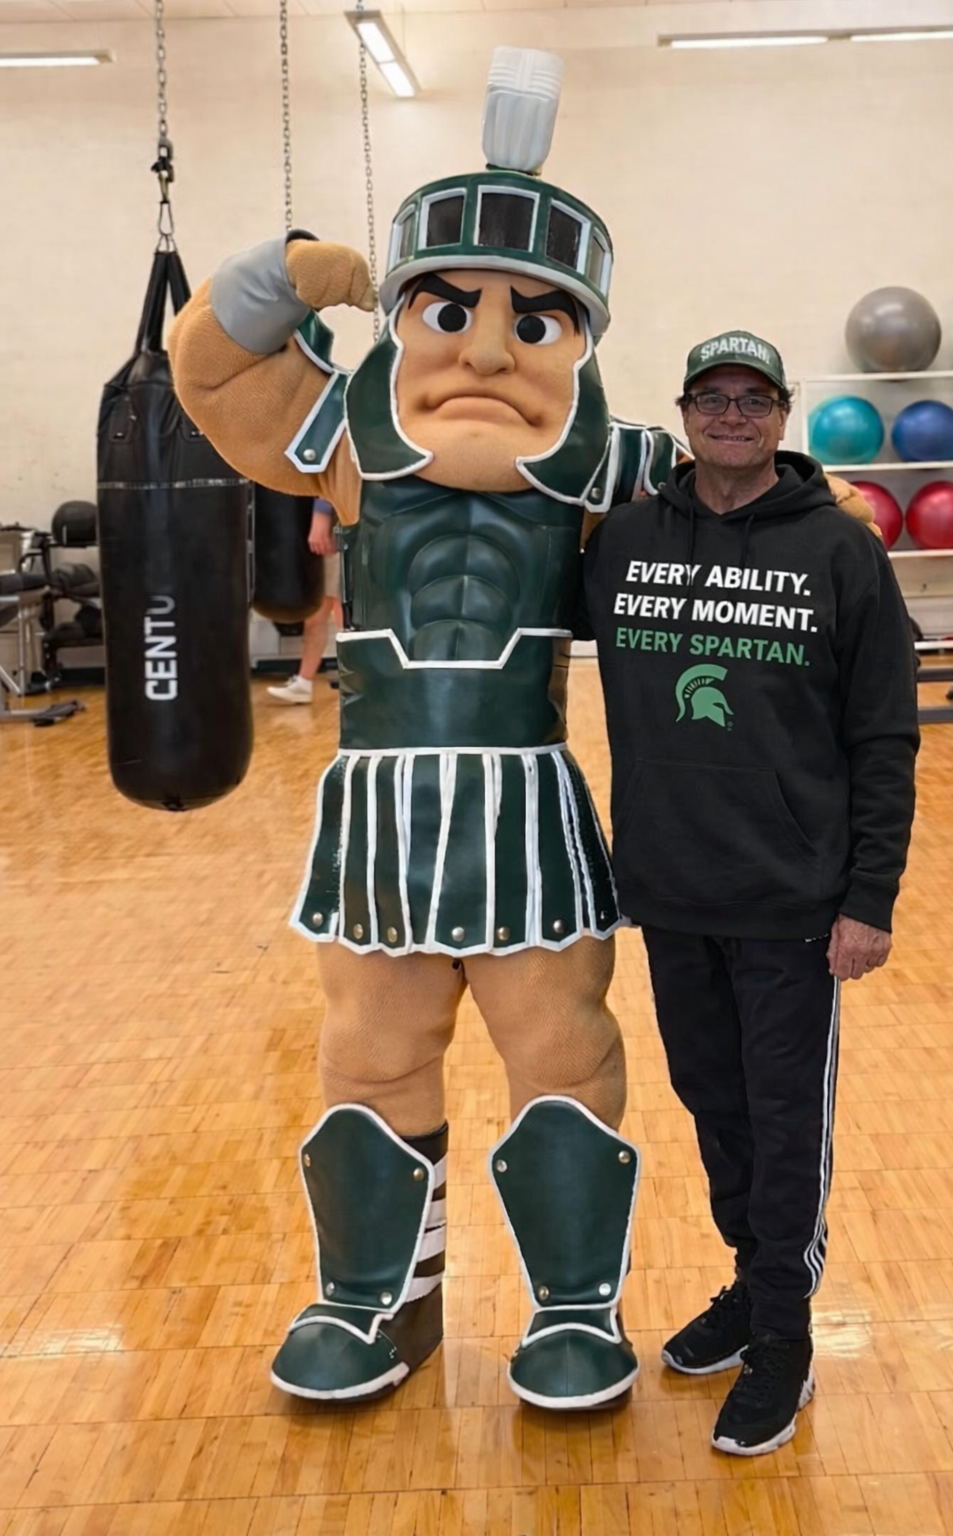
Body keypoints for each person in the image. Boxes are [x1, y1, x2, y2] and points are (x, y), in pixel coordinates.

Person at [168, 48, 682, 1411]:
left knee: (562, 1048)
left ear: (583, 336)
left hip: (527, 800)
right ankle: (375, 1299)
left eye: (534, 322)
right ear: (401, 315)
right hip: (381, 805)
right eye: (444, 309)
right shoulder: (344, 429)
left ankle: (576, 1308)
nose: (482, 346)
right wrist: (305, 270)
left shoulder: (613, 464)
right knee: (371, 1053)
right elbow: (206, 364)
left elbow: (738, 547)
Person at [581, 329, 919, 1456]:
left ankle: (783, 1334)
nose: (732, 414)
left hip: (793, 902)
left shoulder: (839, 550)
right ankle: (748, 1281)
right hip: (671, 891)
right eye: (712, 397)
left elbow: (882, 735)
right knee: (712, 1108)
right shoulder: (623, 542)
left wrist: (868, 898)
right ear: (682, 413)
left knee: (783, 1127)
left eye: (754, 397)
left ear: (782, 415)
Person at [267, 498, 344, 705]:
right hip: (334, 520)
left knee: (342, 609)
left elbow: (332, 469)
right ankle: (304, 682)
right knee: (321, 610)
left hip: (342, 520)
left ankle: (360, 683)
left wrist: (322, 515)